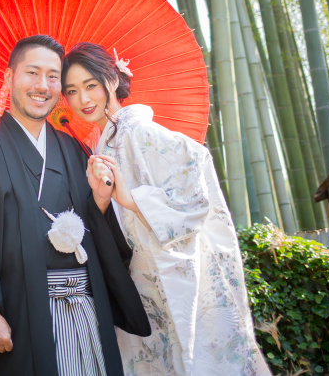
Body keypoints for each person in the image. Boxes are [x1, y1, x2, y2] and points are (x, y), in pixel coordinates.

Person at [0, 35, 151, 376]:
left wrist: (101, 202)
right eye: (32, 73)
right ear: (9, 78)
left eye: (52, 77)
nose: (42, 85)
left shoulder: (75, 150)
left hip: (87, 308)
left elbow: (100, 237)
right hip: (20, 313)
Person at [62, 42, 271, 376]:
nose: (84, 99)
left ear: (112, 80)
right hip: (143, 279)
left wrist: (131, 198)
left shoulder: (140, 131)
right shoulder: (104, 141)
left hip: (173, 268)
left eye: (91, 85)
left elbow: (194, 181)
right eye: (72, 91)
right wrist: (101, 199)